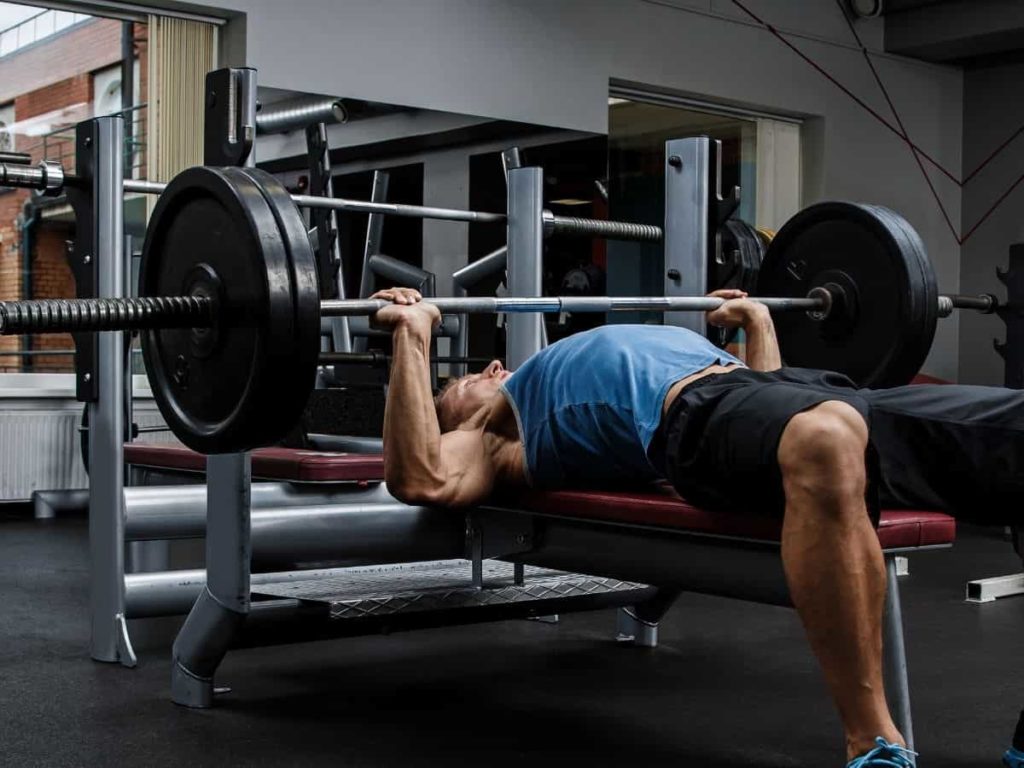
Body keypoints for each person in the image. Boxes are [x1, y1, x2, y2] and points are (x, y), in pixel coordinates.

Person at [371, 285, 1024, 768]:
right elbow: (421, 476)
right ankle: (874, 743)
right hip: (693, 421)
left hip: (791, 390)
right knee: (825, 438)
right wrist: (414, 333)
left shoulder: (524, 377)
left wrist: (757, 321)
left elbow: (769, 411)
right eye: (450, 390)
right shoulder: (493, 434)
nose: (482, 373)